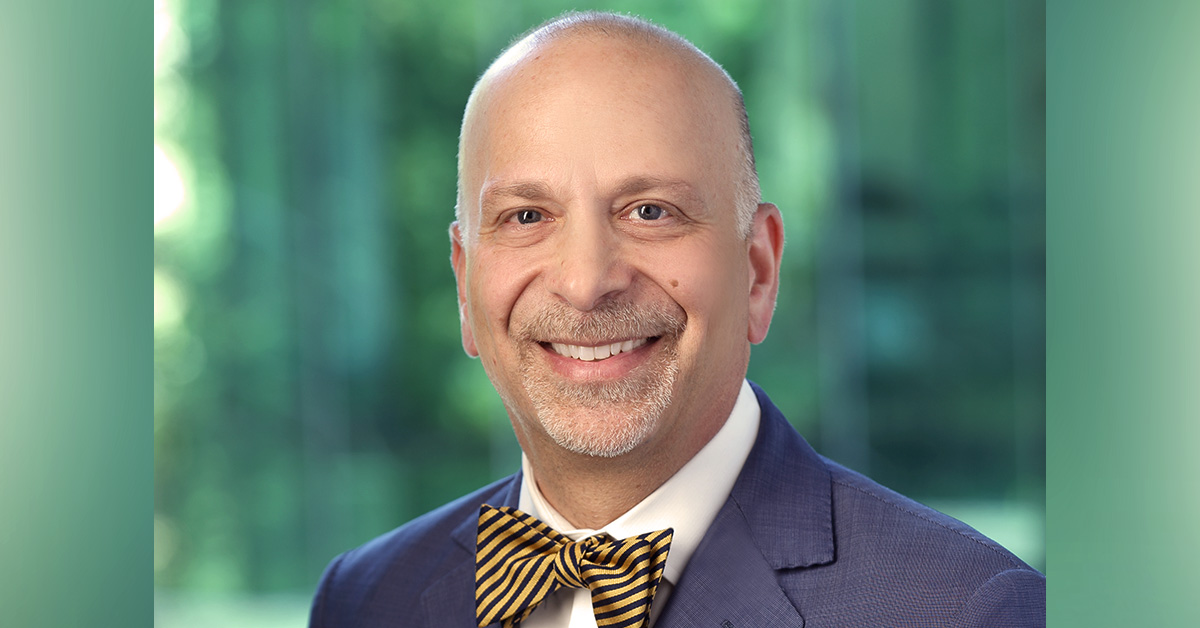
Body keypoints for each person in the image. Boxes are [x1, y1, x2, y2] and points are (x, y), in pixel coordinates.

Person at [308, 11, 1045, 628]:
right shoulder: (367, 599)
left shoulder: (962, 609)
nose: (586, 281)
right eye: (527, 216)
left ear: (758, 268)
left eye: (651, 211)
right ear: (466, 284)